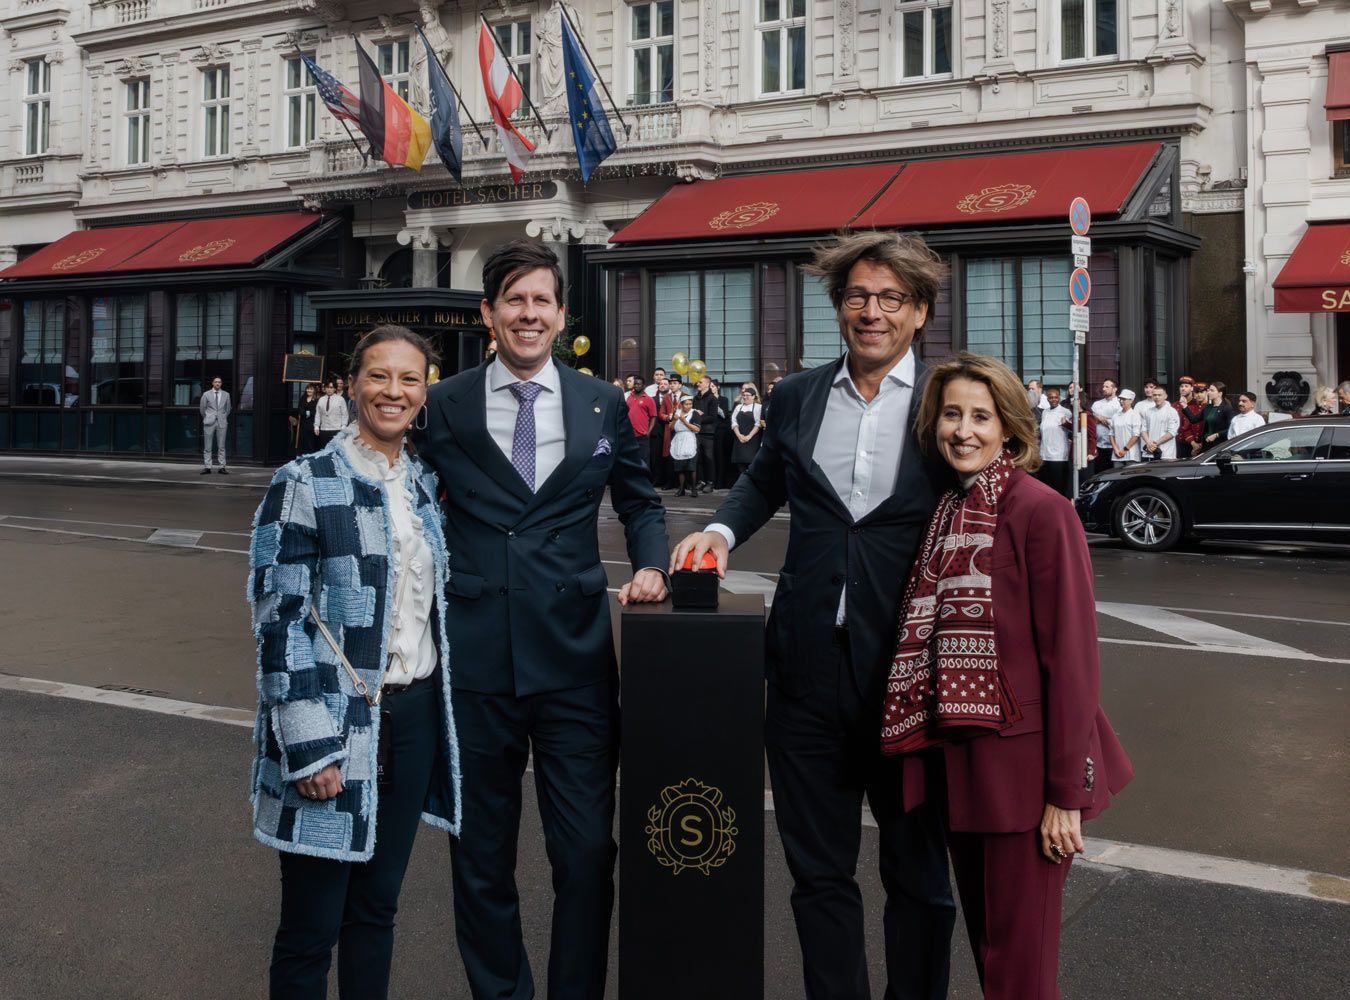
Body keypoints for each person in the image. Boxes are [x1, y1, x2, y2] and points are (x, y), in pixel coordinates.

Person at [671, 230, 957, 1000]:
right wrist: (721, 530)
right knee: (819, 875)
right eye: (858, 296)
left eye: (890, 298)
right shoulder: (798, 394)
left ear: (919, 311)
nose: (872, 312)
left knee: (921, 879)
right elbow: (764, 479)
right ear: (837, 306)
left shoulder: (947, 403)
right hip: (804, 673)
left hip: (911, 676)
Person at [418, 239, 669, 1000]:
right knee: (482, 857)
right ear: (489, 313)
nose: (529, 315)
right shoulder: (443, 404)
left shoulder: (600, 403)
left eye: (542, 301)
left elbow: (638, 499)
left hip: (576, 663)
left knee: (589, 852)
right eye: (514, 301)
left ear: (562, 315)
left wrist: (652, 563)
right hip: (476, 662)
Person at [881, 351, 1132, 1000]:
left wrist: (1064, 796)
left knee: (1019, 976)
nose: (963, 430)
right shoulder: (949, 509)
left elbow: (1073, 664)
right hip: (963, 775)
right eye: (952, 414)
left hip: (1027, 791)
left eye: (981, 417)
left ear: (1012, 431)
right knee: (995, 964)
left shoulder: (1040, 509)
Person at [248, 325, 463, 1000]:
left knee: (376, 911)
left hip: (416, 716)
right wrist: (310, 749)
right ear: (350, 385)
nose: (393, 391)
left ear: (423, 393)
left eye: (409, 379)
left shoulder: (425, 487)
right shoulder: (305, 482)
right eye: (379, 376)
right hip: (335, 724)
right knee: (311, 930)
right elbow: (278, 620)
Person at [1035, 386, 1072, 497]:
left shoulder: (1066, 412)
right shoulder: (1045, 412)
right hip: (1044, 455)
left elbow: (1072, 430)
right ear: (1047, 399)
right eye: (1051, 397)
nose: (1054, 399)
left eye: (1056, 397)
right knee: (1046, 486)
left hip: (1058, 456)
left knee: (1058, 488)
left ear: (1059, 397)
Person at [729, 384, 764, 480]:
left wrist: (749, 436)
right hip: (739, 438)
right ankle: (742, 484)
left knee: (751, 463)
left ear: (753, 396)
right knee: (740, 464)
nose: (745, 397)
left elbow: (758, 424)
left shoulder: (758, 407)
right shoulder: (738, 407)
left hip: (752, 439)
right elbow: (733, 421)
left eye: (747, 395)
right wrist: (739, 435)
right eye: (744, 395)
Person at [692, 374, 720, 493]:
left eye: (700, 382)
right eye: (697, 382)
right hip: (696, 431)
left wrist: (699, 417)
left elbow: (713, 417)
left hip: (708, 433)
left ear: (708, 384)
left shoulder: (712, 398)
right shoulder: (695, 398)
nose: (698, 384)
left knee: (709, 458)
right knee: (698, 458)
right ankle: (701, 481)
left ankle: (710, 483)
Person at [669, 395, 701, 496]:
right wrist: (674, 420)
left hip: (689, 439)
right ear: (681, 405)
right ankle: (681, 488)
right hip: (679, 440)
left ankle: (693, 489)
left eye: (690, 404)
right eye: (686, 404)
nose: (688, 406)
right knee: (679, 466)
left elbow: (697, 429)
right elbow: (670, 428)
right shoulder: (677, 413)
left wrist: (684, 421)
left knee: (691, 466)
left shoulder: (694, 413)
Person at [1139, 385, 1181, 461]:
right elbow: (1143, 429)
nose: (1157, 397)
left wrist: (1156, 443)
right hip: (1150, 452)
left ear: (1165, 396)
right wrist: (1148, 443)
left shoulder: (1171, 411)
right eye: (1155, 395)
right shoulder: (1148, 411)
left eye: (1159, 395)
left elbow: (1172, 432)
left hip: (1167, 453)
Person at [200, 375, 231, 474]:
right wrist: (208, 417)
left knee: (221, 446)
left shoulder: (226, 394)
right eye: (216, 382)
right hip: (209, 422)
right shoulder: (206, 394)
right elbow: (202, 409)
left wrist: (222, 417)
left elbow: (228, 409)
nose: (218, 383)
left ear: (221, 384)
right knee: (207, 446)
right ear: (212, 383)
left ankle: (222, 467)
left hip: (221, 422)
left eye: (219, 382)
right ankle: (207, 467)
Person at [1090, 379, 1121, 473]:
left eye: (1107, 386)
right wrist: (1100, 417)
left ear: (1115, 389)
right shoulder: (1097, 404)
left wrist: (1101, 419)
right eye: (1103, 386)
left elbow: (1118, 424)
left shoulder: (1120, 403)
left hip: (1114, 446)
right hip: (1099, 446)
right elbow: (1091, 420)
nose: (1103, 388)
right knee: (1098, 474)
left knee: (1113, 473)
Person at [644, 366, 667, 484]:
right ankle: (654, 479)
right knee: (654, 455)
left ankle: (666, 480)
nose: (659, 377)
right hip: (655, 429)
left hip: (667, 428)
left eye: (661, 375)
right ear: (653, 376)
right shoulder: (649, 390)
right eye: (656, 374)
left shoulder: (669, 394)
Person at [1109, 389, 1142, 466]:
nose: (1121, 401)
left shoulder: (1135, 415)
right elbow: (1111, 434)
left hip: (1131, 454)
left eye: (1124, 399)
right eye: (1120, 399)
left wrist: (1125, 449)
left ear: (1131, 401)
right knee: (1116, 476)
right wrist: (1115, 449)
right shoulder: (1115, 415)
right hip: (1117, 454)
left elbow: (1136, 435)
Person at [1175, 379, 1206, 455]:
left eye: (1186, 386)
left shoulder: (1207, 407)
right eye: (1181, 386)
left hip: (1205, 444)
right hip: (1183, 443)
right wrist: (1193, 443)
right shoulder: (1187, 407)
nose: (1183, 388)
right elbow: (1186, 427)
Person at [625, 373, 657, 443]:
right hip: (629, 434)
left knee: (643, 454)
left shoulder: (649, 399)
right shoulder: (629, 398)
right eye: (635, 384)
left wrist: (648, 432)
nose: (636, 386)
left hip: (642, 435)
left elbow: (653, 417)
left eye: (639, 384)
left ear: (643, 386)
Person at [314, 380, 348, 447]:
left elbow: (345, 414)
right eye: (327, 387)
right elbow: (318, 414)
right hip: (324, 429)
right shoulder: (321, 399)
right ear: (325, 388)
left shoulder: (340, 399)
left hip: (336, 429)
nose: (329, 389)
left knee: (335, 452)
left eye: (331, 387)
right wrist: (316, 426)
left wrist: (343, 426)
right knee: (324, 451)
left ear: (335, 388)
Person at [1201, 381, 1234, 447]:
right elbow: (1194, 419)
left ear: (1220, 393)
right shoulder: (1208, 407)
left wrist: (1216, 435)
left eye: (1212, 390)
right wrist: (1185, 406)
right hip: (1206, 444)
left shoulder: (1227, 408)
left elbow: (1230, 429)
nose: (1208, 392)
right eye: (1209, 390)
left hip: (1219, 445)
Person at [296, 383, 320, 456]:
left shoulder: (316, 400)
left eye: (311, 389)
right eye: (308, 388)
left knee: (311, 443)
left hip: (312, 424)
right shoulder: (302, 398)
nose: (309, 390)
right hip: (303, 424)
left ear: (314, 391)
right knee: (303, 442)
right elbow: (300, 409)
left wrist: (307, 413)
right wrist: (307, 413)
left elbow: (316, 411)